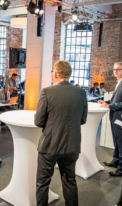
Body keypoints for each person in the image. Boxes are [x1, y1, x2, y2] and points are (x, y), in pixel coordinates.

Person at [34, 60, 88, 206]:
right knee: (70, 180)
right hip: (71, 145)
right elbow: (83, 120)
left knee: (42, 183)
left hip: (49, 145)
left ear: (56, 74)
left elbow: (38, 121)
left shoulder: (47, 91)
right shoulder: (81, 93)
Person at [99, 62, 122, 177]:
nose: (115, 71)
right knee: (116, 140)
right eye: (114, 69)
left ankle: (121, 168)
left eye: (118, 69)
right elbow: (116, 101)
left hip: (121, 118)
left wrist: (110, 106)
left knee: (121, 141)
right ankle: (115, 161)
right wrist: (107, 103)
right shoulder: (120, 82)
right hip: (115, 115)